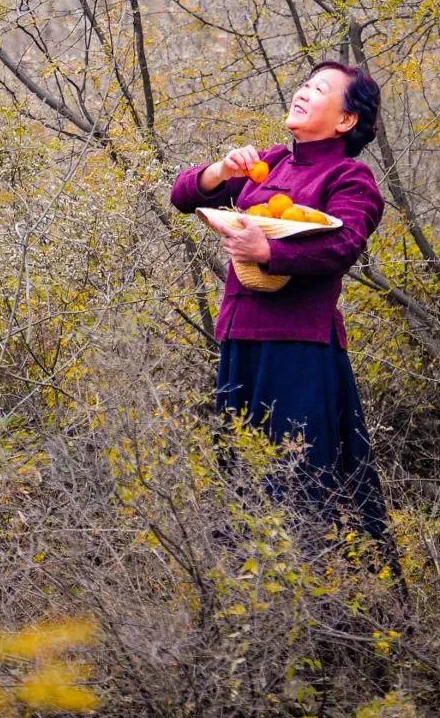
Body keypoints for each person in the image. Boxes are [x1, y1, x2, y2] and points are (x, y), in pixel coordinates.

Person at [170, 61, 400, 568]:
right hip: (239, 340)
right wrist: (221, 172)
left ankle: (339, 609)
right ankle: (246, 608)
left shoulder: (350, 177)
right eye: (305, 84)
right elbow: (183, 195)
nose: (303, 92)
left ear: (345, 121)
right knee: (242, 479)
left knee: (305, 483)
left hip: (299, 346)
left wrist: (268, 253)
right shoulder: (267, 163)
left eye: (320, 89)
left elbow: (343, 246)